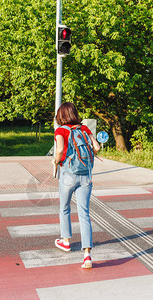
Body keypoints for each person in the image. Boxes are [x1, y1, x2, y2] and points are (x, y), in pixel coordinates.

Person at [53, 102, 101, 269]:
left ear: (61, 116)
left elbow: (59, 150)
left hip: (68, 175)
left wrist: (56, 161)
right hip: (86, 176)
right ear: (74, 114)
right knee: (84, 213)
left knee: (65, 208)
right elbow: (96, 147)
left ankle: (66, 241)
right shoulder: (84, 129)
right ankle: (87, 255)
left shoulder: (60, 131)